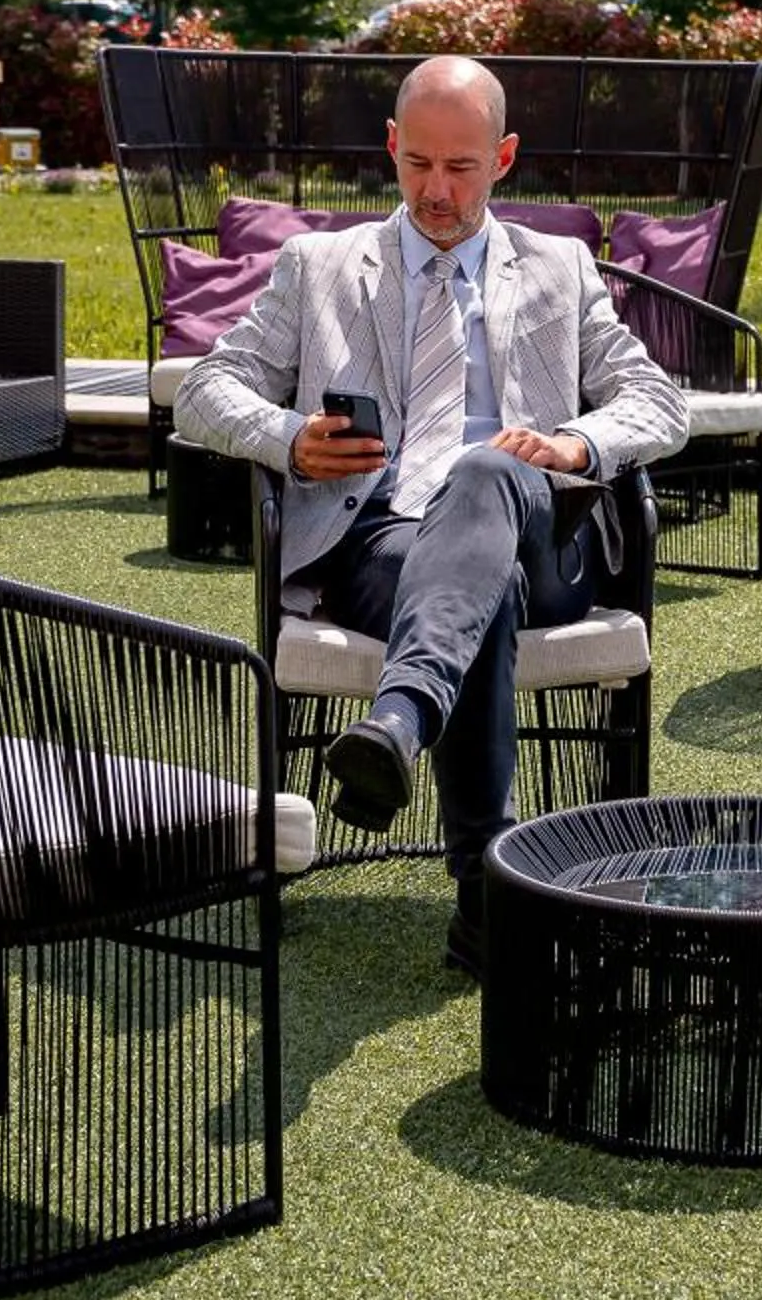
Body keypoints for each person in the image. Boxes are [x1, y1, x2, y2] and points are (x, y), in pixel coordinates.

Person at [175, 55, 687, 975]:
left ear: (505, 157)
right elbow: (204, 389)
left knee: (485, 476)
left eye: (460, 167)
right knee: (466, 596)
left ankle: (400, 724)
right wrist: (291, 438)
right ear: (390, 149)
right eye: (417, 164)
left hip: (545, 543)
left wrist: (573, 446)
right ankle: (488, 895)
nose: (436, 190)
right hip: (380, 543)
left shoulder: (562, 268)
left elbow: (657, 403)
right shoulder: (321, 266)